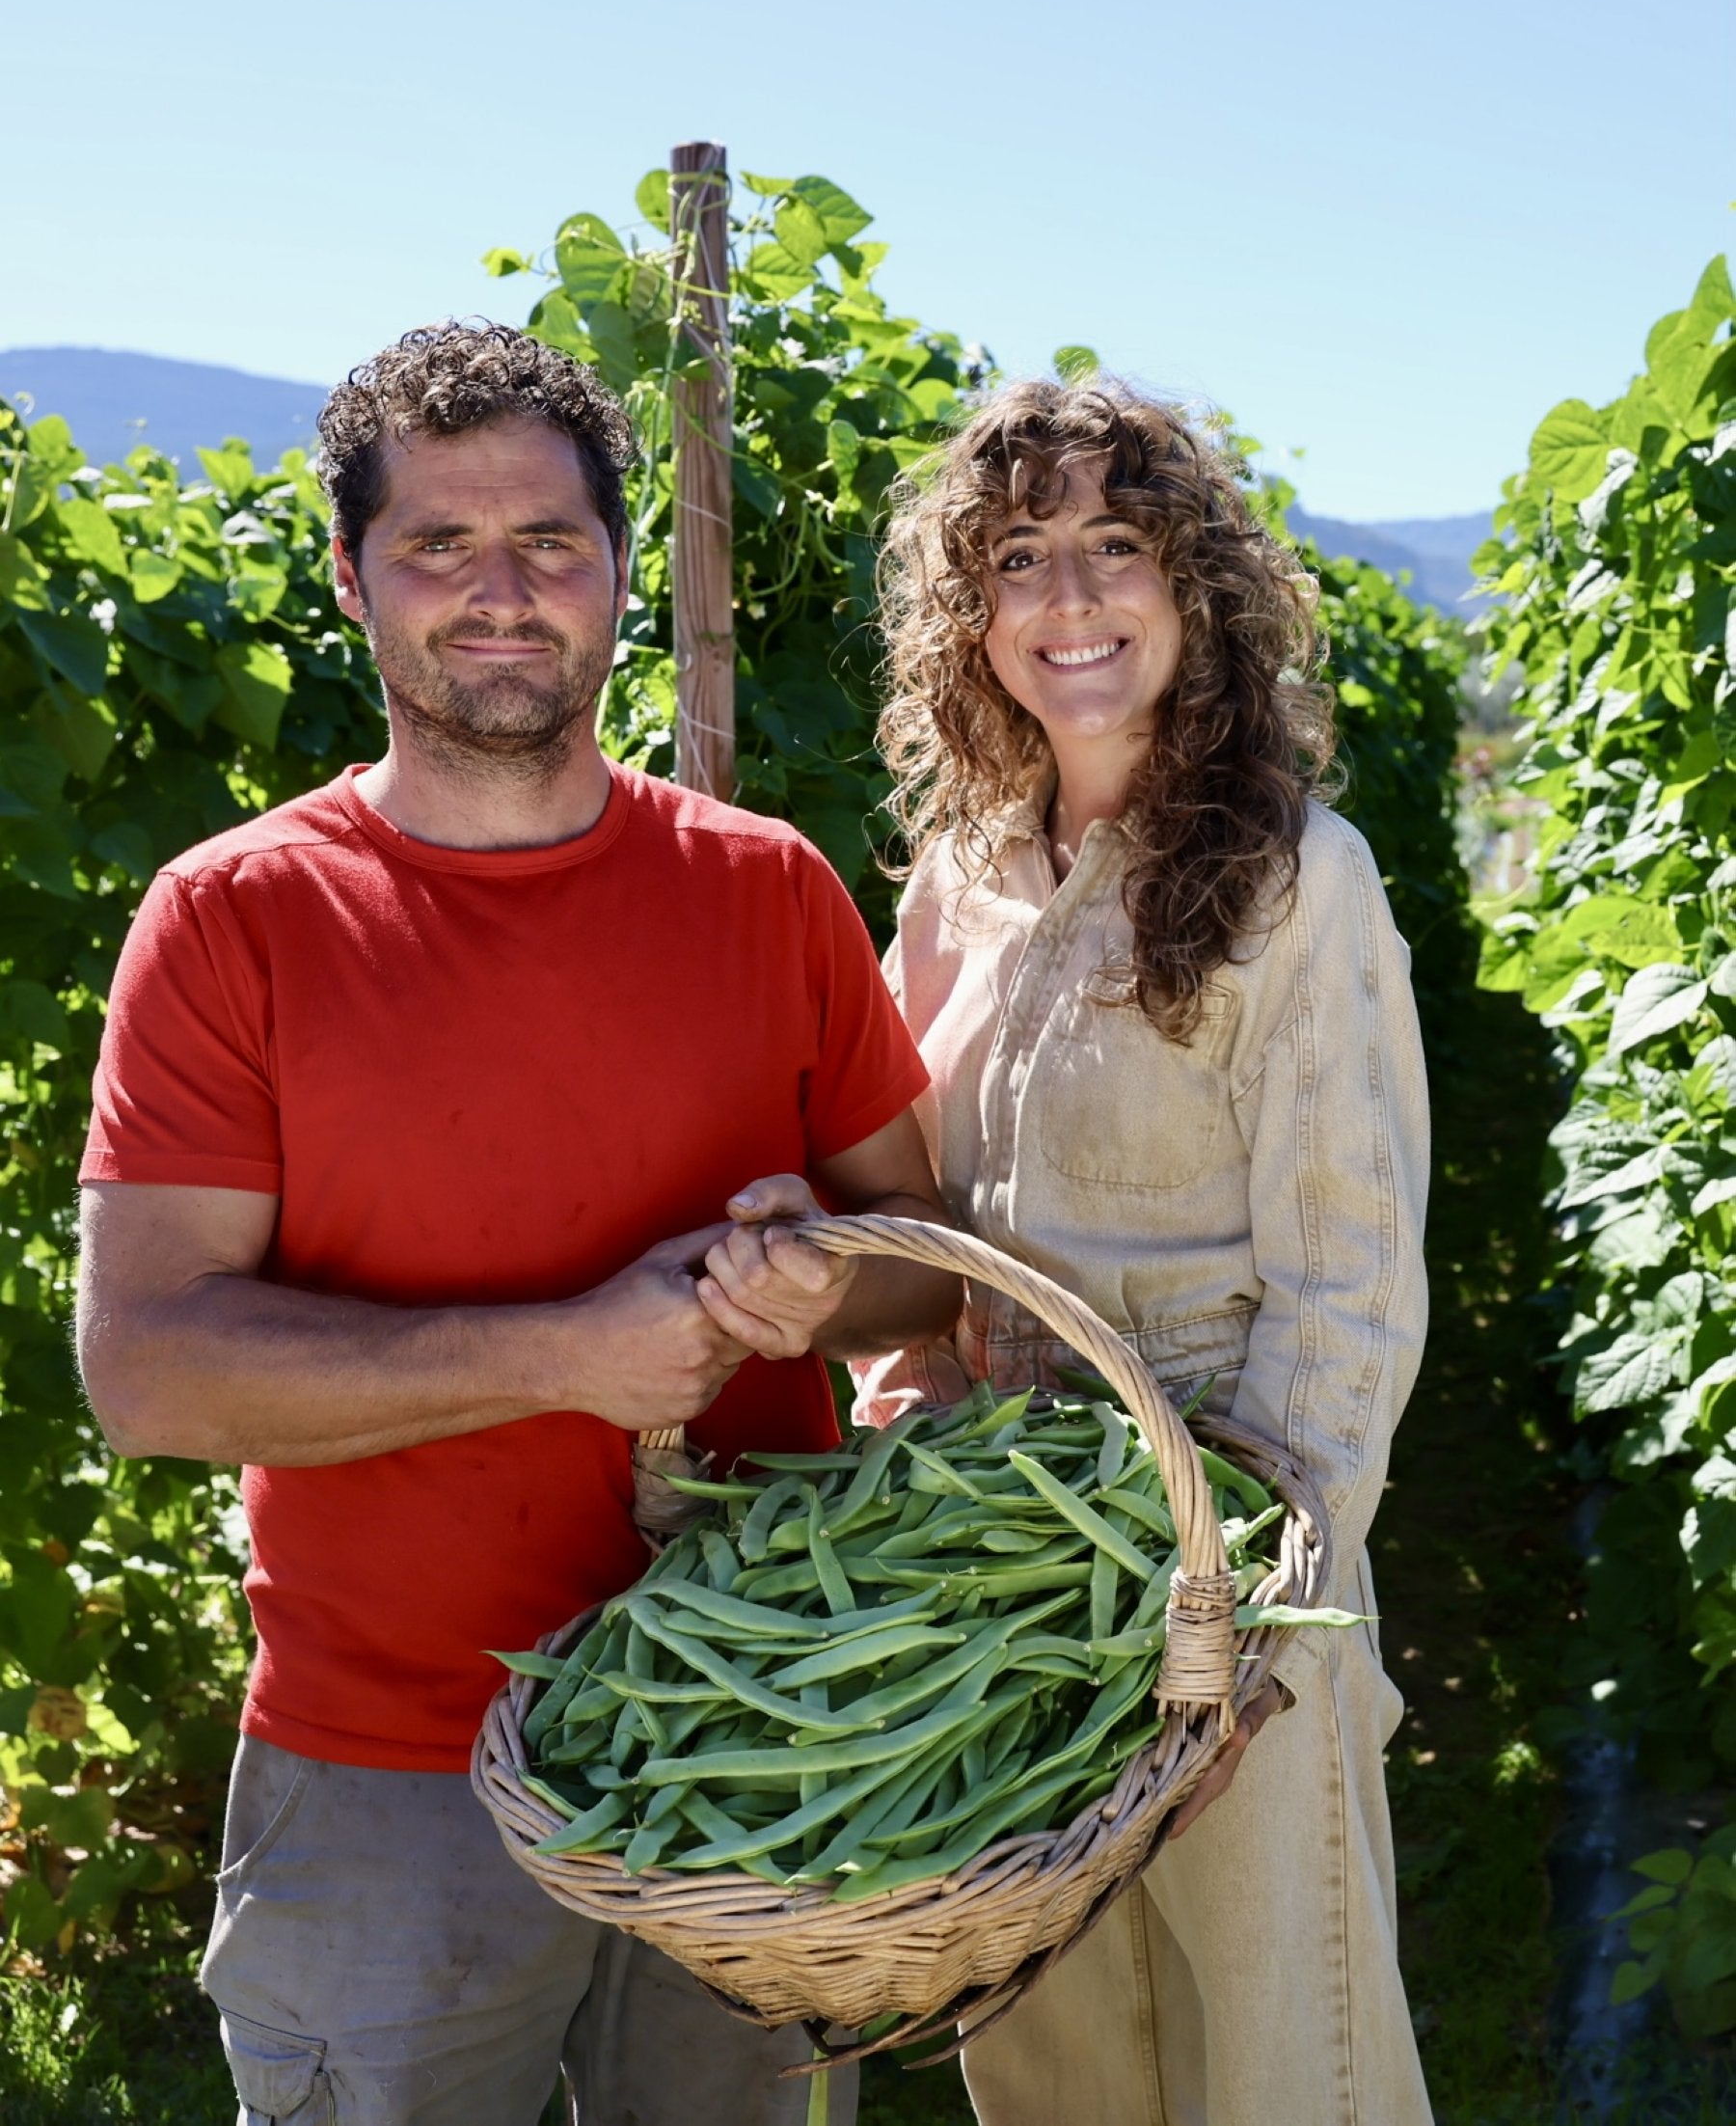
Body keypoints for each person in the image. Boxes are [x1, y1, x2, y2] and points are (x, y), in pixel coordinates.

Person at [74, 320, 960, 2126]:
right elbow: (150, 1369)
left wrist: (816, 1289)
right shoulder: (233, 919)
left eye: (550, 542)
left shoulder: (768, 888)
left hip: (759, 1732)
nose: (501, 592)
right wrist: (573, 1351)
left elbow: (912, 1259)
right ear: (352, 577)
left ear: (620, 572)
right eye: (438, 544)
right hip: (388, 1763)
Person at [858, 377, 1434, 2124]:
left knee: (1279, 2059)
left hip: (1230, 1544)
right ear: (974, 612)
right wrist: (904, 1418)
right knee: (1052, 2054)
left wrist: (1257, 1605)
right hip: (1013, 1574)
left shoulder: (1292, 879)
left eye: (1118, 546)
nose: (1071, 599)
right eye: (1020, 556)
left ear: (1197, 592)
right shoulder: (957, 876)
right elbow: (923, 1213)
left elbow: (1346, 1281)